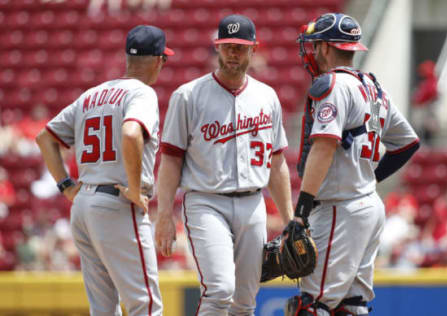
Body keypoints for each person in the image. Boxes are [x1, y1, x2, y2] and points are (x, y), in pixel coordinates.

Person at [155, 14, 293, 316]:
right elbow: (170, 159)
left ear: (253, 49)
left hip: (253, 202)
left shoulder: (267, 97)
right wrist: (164, 214)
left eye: (240, 47)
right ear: (217, 48)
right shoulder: (188, 96)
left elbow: (277, 161)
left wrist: (290, 218)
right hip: (206, 202)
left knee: (245, 302)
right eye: (227, 46)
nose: (233, 53)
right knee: (219, 289)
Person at [284, 13, 420, 316]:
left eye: (315, 44)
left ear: (326, 47)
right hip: (369, 208)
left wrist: (300, 213)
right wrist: (368, 179)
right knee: (351, 305)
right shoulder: (373, 87)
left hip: (338, 209)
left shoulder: (333, 85)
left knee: (309, 305)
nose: (311, 51)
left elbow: (324, 147)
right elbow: (408, 143)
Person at [35, 25, 174, 316]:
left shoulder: (91, 95)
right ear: (159, 59)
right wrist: (135, 191)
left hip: (84, 205)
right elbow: (132, 133)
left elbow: (45, 138)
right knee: (145, 306)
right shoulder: (143, 93)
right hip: (117, 204)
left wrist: (67, 186)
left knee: (103, 309)